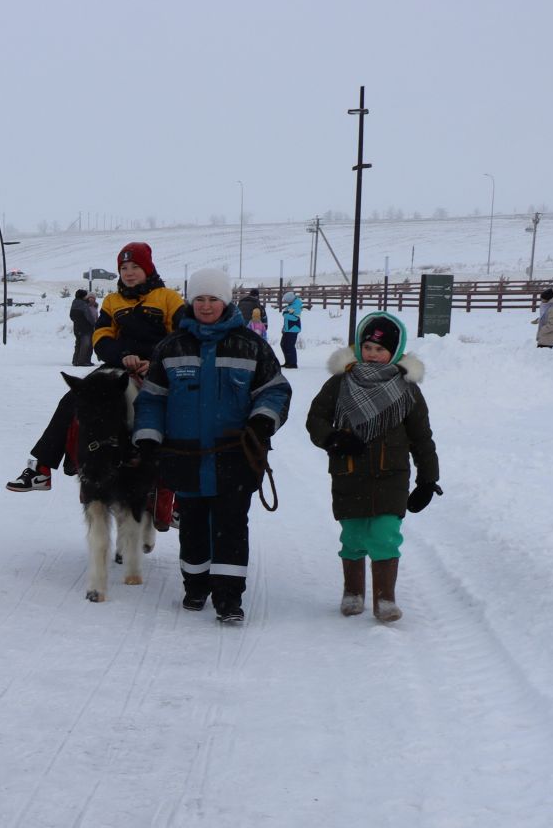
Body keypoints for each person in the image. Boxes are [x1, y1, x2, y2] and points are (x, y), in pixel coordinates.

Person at [130, 267, 292, 624]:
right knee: (192, 525)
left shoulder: (251, 346)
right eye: (199, 299)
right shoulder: (170, 348)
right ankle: (195, 585)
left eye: (213, 299)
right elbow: (153, 399)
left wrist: (263, 419)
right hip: (185, 456)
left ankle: (229, 597)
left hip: (235, 456)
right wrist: (147, 437)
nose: (206, 306)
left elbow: (275, 390)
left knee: (231, 525)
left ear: (226, 301)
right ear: (191, 301)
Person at [7, 242, 185, 495]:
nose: (129, 272)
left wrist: (155, 361)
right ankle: (42, 468)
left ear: (148, 269)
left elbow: (181, 337)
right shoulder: (113, 301)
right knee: (73, 399)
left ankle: (172, 494)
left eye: (136, 266)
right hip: (117, 367)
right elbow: (101, 338)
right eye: (124, 267)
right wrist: (122, 356)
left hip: (157, 368)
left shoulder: (168, 298)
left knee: (177, 414)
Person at [303, 312, 438, 622]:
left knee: (385, 534)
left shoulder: (408, 389)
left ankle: (385, 599)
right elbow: (315, 419)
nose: (374, 355)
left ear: (395, 351)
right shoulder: (340, 382)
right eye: (368, 348)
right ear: (358, 348)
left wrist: (428, 479)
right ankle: (353, 592)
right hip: (348, 472)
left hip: (391, 476)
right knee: (352, 535)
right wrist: (333, 438)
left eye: (381, 349)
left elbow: (422, 437)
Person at [69, 288, 97, 366]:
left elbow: (71, 316)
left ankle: (76, 360)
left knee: (78, 343)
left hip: (77, 327)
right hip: (86, 328)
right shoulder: (83, 305)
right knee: (86, 344)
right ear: (83, 296)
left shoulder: (74, 303)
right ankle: (82, 361)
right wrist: (93, 324)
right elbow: (89, 317)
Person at [279, 288, 303, 368]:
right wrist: (284, 327)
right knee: (283, 344)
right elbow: (288, 315)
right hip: (287, 328)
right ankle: (288, 361)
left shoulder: (296, 305)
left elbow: (295, 318)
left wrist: (285, 314)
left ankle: (293, 363)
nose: (286, 302)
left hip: (293, 329)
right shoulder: (291, 305)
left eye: (287, 301)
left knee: (289, 346)